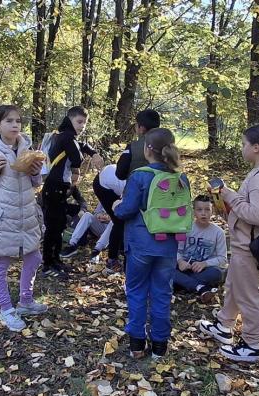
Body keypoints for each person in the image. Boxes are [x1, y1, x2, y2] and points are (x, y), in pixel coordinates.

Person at [199, 124, 259, 363]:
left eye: (243, 144)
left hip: (250, 248)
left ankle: (252, 344)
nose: (241, 148)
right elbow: (249, 211)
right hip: (243, 243)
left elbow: (258, 216)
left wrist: (230, 195)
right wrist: (226, 207)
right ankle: (223, 325)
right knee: (233, 286)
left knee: (248, 295)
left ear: (256, 148)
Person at [0, 105, 47, 332]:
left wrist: (35, 172)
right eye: (9, 121)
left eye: (18, 121)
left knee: (34, 258)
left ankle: (25, 301)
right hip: (3, 218)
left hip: (26, 215)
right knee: (2, 264)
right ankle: (5, 309)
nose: (15, 125)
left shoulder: (27, 150)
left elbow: (35, 184)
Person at [113, 128, 187, 360]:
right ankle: (160, 346)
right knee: (162, 293)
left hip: (140, 244)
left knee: (136, 291)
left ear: (148, 150)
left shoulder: (139, 176)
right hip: (168, 246)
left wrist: (117, 207)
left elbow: (127, 210)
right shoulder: (181, 178)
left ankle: (137, 344)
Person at [41, 106, 103, 279]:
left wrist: (93, 152)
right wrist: (88, 155)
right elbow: (77, 159)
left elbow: (81, 145)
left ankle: (56, 261)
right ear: (70, 119)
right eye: (79, 122)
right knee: (53, 227)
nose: (82, 126)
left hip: (59, 187)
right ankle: (48, 264)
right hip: (54, 186)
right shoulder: (66, 136)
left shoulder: (66, 135)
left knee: (59, 225)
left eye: (85, 123)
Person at [174, 195, 227, 303]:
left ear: (212, 211)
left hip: (202, 271)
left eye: (207, 209)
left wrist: (205, 264)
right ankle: (201, 288)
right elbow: (176, 250)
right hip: (183, 268)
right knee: (166, 269)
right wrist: (180, 261)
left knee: (216, 273)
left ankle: (184, 284)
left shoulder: (218, 232)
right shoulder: (186, 228)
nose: (203, 213)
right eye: (199, 210)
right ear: (194, 211)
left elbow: (222, 258)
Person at [92, 164, 126, 272]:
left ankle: (121, 250)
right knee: (119, 221)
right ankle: (112, 260)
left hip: (110, 177)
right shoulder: (133, 186)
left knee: (122, 220)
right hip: (102, 184)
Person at [115, 109, 160, 180]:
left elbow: (120, 174)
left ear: (141, 128)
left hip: (137, 188)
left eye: (136, 124)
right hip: (163, 189)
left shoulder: (132, 147)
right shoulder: (168, 145)